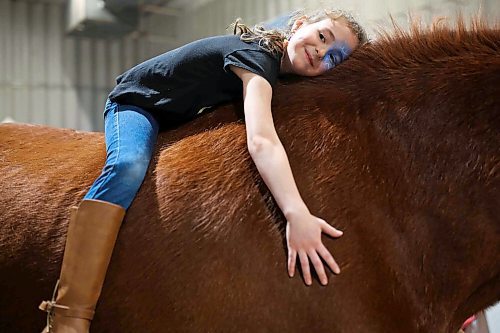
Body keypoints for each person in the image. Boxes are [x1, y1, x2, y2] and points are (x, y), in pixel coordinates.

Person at [39, 8, 368, 333]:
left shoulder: (278, 75)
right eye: (323, 36)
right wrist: (297, 213)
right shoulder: (257, 57)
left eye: (334, 57)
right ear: (299, 24)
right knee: (128, 166)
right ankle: (68, 313)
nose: (321, 51)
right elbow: (262, 141)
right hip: (137, 104)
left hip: (176, 119)